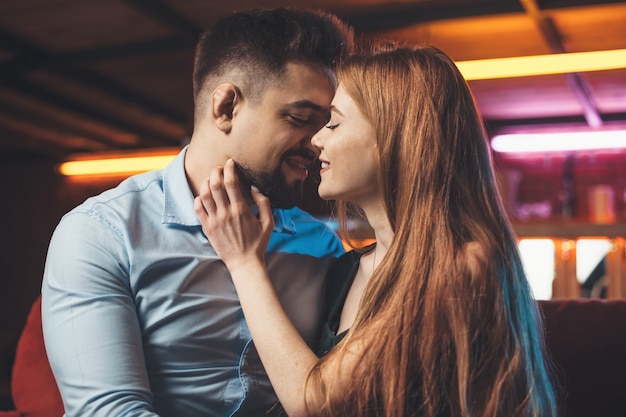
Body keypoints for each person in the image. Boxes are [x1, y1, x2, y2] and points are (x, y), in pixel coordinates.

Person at [194, 44, 559, 417]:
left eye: (333, 123)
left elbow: (312, 401)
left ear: (394, 136)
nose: (316, 140)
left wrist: (243, 262)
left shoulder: (464, 262)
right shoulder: (346, 266)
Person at [41, 8, 353, 417]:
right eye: (298, 118)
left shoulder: (323, 246)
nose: (316, 144)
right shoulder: (102, 234)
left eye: (325, 125)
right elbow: (108, 412)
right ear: (225, 107)